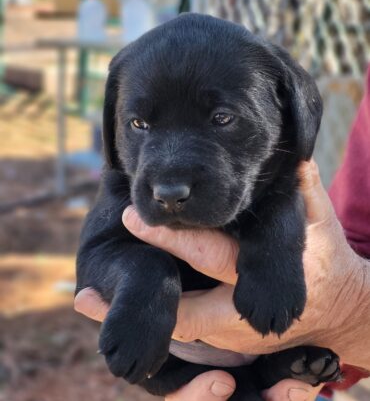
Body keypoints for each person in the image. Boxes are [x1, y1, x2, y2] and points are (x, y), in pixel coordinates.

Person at [75, 69, 370, 401]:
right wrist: (146, 284)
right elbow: (97, 257)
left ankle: (271, 370)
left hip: (279, 354)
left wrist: (275, 256)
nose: (171, 181)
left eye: (222, 118)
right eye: (140, 125)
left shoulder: (273, 173)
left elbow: (290, 216)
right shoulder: (123, 186)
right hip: (182, 363)